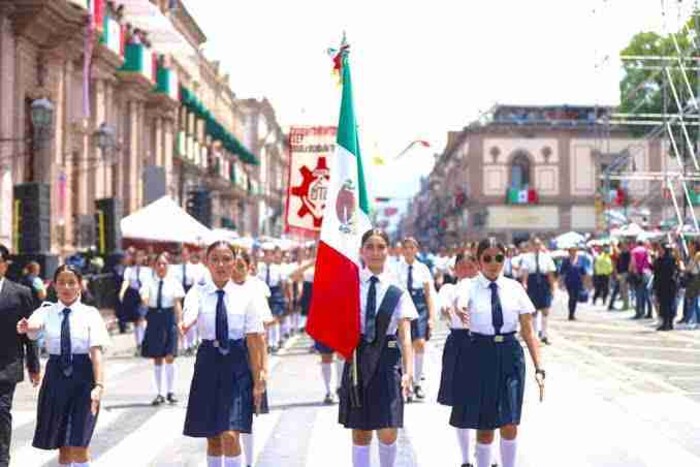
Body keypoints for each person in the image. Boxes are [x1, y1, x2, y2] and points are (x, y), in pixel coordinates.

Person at [449, 238, 544, 467]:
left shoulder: (515, 288)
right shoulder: (469, 286)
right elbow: (460, 301)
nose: (493, 263)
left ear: (505, 258)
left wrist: (539, 367)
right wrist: (460, 310)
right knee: (485, 425)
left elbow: (529, 332)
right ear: (479, 261)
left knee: (510, 422)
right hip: (480, 354)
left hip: (510, 354)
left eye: (499, 258)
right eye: (487, 258)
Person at [181, 241, 266, 467]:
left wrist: (259, 380)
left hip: (237, 365)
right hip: (209, 362)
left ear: (235, 261)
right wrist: (187, 322)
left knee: (230, 434)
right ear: (207, 263)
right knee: (214, 438)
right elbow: (190, 311)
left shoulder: (246, 295)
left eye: (227, 259)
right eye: (215, 259)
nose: (221, 265)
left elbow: (255, 339)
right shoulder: (197, 292)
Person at [338, 229, 417, 467]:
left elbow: (405, 334)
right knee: (360, 431)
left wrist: (409, 370)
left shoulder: (396, 287)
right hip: (358, 358)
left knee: (388, 429)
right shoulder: (350, 284)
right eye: (370, 247)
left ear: (388, 251)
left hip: (387, 359)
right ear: (361, 251)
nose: (375, 252)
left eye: (380, 247)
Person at [17, 265, 109, 467]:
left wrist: (99, 385)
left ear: (79, 286)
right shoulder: (47, 311)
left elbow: (96, 352)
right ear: (54, 286)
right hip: (56, 377)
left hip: (83, 378)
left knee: (79, 441)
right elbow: (33, 327)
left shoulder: (90, 313)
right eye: (61, 282)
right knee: (63, 445)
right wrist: (26, 327)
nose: (66, 287)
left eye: (71, 282)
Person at [436, 250, 479, 467]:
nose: (467, 271)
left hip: (481, 344)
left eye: (471, 266)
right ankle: (465, 458)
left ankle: (487, 453)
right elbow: (443, 309)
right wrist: (451, 308)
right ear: (455, 269)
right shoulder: (448, 288)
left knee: (486, 400)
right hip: (459, 344)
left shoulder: (484, 287)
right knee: (461, 403)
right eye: (462, 266)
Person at [0, 245, 40, 467]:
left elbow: (30, 333)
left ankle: (2, 459)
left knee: (1, 411)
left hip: (6, 365)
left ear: (4, 265)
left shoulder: (20, 293)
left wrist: (33, 365)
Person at [233, 249, 272, 467]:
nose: (236, 272)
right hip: (230, 353)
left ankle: (249, 461)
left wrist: (262, 370)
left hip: (252, 353)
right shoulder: (224, 288)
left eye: (241, 266)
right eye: (234, 266)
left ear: (249, 268)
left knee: (247, 412)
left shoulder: (255, 288)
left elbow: (261, 334)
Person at [141, 253, 185, 405]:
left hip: (169, 316)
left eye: (164, 264)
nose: (161, 267)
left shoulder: (174, 282)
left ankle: (170, 391)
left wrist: (180, 322)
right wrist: (145, 302)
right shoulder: (149, 282)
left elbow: (177, 304)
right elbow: (145, 298)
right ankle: (159, 392)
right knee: (157, 357)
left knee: (170, 355)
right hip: (154, 317)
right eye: (158, 264)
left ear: (168, 266)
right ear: (154, 266)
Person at [396, 237, 435, 401]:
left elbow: (429, 294)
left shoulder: (423, 268)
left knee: (419, 343)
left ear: (416, 249)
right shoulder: (397, 268)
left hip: (419, 307)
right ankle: (407, 383)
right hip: (403, 305)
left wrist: (431, 317)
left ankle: (418, 382)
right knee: (405, 345)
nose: (409, 251)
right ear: (402, 250)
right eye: (406, 248)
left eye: (412, 247)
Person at [519, 238, 556, 345]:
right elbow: (525, 272)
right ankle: (534, 335)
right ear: (531, 246)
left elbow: (550, 273)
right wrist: (524, 284)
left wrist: (552, 286)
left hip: (544, 283)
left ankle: (544, 335)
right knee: (533, 310)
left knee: (545, 310)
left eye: (538, 244)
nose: (536, 246)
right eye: (534, 244)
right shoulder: (526, 257)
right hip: (532, 283)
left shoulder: (547, 257)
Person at [119, 250, 152, 353]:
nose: (139, 259)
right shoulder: (129, 270)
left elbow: (149, 284)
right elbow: (126, 281)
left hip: (144, 294)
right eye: (137, 256)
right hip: (133, 295)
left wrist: (147, 296)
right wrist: (122, 292)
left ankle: (143, 342)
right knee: (136, 321)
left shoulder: (148, 270)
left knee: (142, 318)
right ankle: (139, 343)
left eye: (141, 257)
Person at [257, 244, 288, 353]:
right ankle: (267, 343)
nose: (268, 256)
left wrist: (284, 296)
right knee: (265, 319)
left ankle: (274, 342)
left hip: (275, 292)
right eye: (266, 254)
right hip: (263, 293)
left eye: (270, 254)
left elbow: (283, 283)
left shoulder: (278, 268)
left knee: (275, 318)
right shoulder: (259, 268)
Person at [653, 244, 680, 331]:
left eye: (661, 249)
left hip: (667, 286)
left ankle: (667, 323)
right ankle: (667, 323)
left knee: (667, 305)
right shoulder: (663, 260)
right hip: (664, 286)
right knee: (665, 304)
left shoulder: (668, 260)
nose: (659, 251)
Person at [559, 246, 589, 321]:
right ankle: (571, 314)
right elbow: (562, 272)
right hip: (569, 282)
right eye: (572, 251)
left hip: (578, 282)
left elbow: (584, 272)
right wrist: (561, 282)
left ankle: (572, 313)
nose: (573, 253)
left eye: (575, 251)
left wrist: (585, 282)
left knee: (575, 298)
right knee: (571, 297)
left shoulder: (580, 260)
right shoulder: (566, 260)